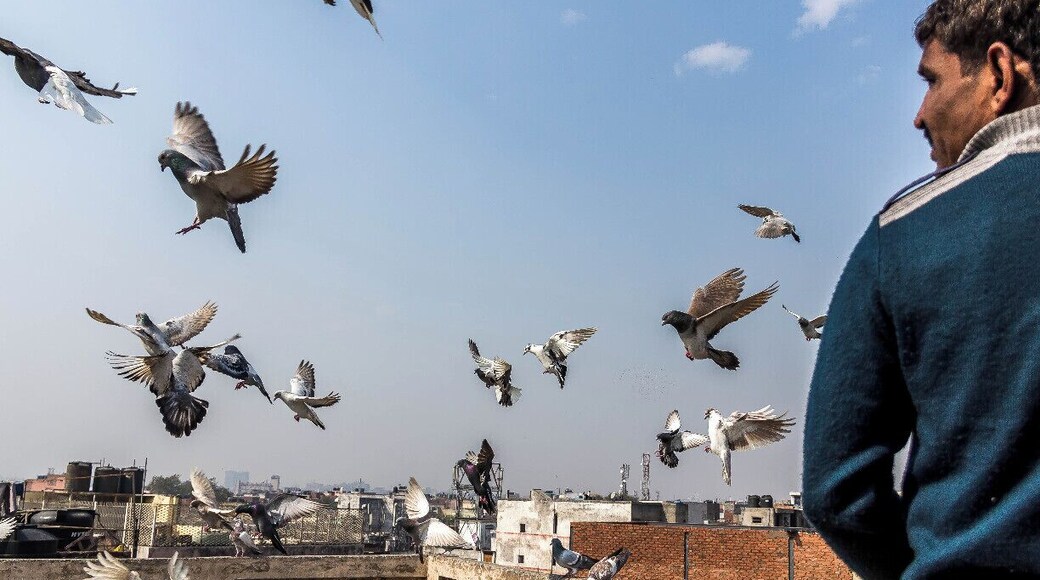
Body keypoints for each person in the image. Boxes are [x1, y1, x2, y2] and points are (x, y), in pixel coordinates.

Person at [802, 1, 1040, 578]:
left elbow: (835, 490)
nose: (919, 114)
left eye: (932, 81)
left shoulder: (905, 235)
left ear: (999, 75)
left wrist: (936, 562)